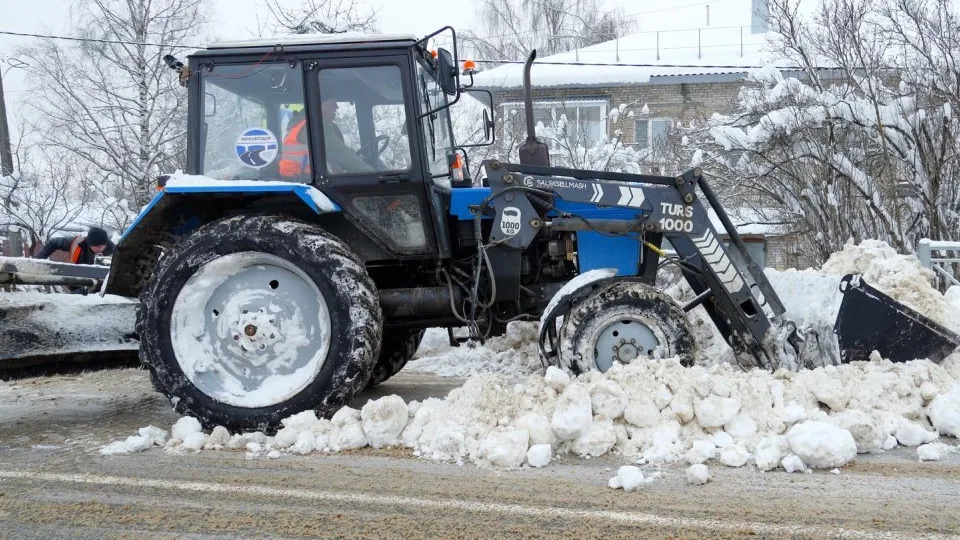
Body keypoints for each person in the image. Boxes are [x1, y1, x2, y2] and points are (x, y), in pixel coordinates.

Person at [279, 98, 372, 177]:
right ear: (321, 104)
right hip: (306, 180)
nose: (336, 106)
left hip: (298, 177)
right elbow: (339, 152)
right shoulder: (316, 124)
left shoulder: (301, 123)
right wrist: (371, 173)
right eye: (332, 102)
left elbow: (331, 152)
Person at [34, 226, 116, 265]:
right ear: (89, 244)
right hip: (75, 283)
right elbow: (52, 243)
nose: (99, 249)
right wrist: (36, 262)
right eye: (96, 246)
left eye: (102, 246)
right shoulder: (78, 243)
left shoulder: (115, 253)